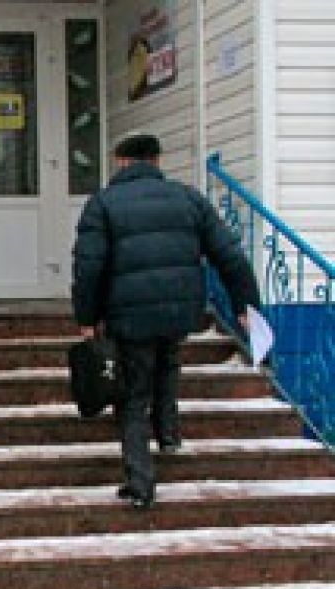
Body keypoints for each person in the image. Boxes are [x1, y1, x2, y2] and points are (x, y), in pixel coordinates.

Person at [71, 133, 260, 510]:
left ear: (121, 162)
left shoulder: (103, 204)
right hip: (179, 308)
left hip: (128, 313)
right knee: (168, 360)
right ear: (157, 161)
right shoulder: (189, 199)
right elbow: (230, 254)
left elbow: (89, 266)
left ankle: (140, 482)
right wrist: (246, 303)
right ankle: (168, 434)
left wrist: (87, 317)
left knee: (132, 394)